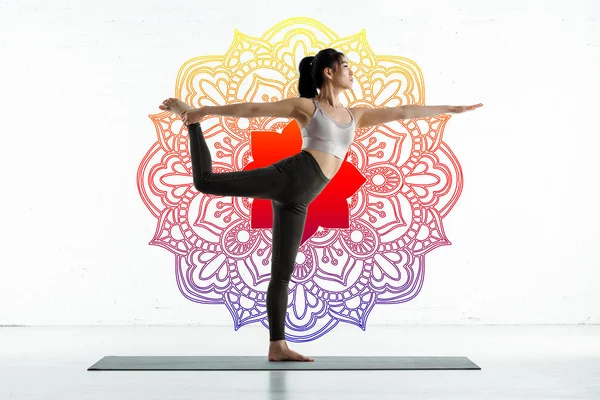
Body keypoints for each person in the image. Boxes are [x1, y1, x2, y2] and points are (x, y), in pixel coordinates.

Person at [159, 48, 483, 362]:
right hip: (290, 177)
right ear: (329, 72)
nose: (351, 71)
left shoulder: (356, 115)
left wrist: (451, 109)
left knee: (282, 274)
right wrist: (205, 112)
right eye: (345, 65)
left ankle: (277, 346)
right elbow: (255, 110)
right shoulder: (307, 107)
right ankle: (191, 122)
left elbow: (402, 112)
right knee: (205, 182)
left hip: (301, 199)